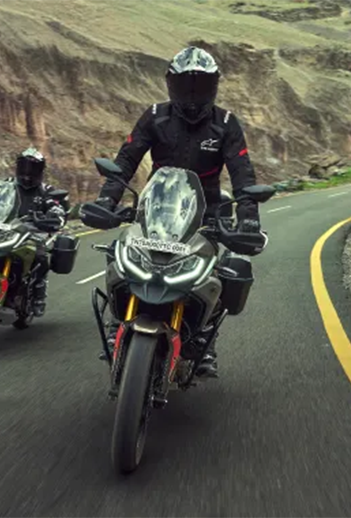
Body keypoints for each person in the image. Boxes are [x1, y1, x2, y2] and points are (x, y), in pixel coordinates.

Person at [92, 46, 266, 378]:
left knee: (215, 270)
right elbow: (126, 160)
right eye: (186, 85)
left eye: (200, 85)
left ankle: (203, 339)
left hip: (207, 211)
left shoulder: (226, 123)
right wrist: (106, 201)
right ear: (171, 84)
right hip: (155, 207)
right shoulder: (155, 116)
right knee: (121, 250)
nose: (192, 94)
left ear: (214, 86)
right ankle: (118, 320)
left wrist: (248, 218)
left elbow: (243, 174)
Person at [0, 147, 69, 316]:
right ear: (18, 167)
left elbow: (57, 207)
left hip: (31, 231)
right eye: (24, 167)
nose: (27, 173)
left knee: (40, 257)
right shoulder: (5, 185)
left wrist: (54, 217)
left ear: (40, 170)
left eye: (32, 168)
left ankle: (38, 295)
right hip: (1, 227)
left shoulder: (47, 191)